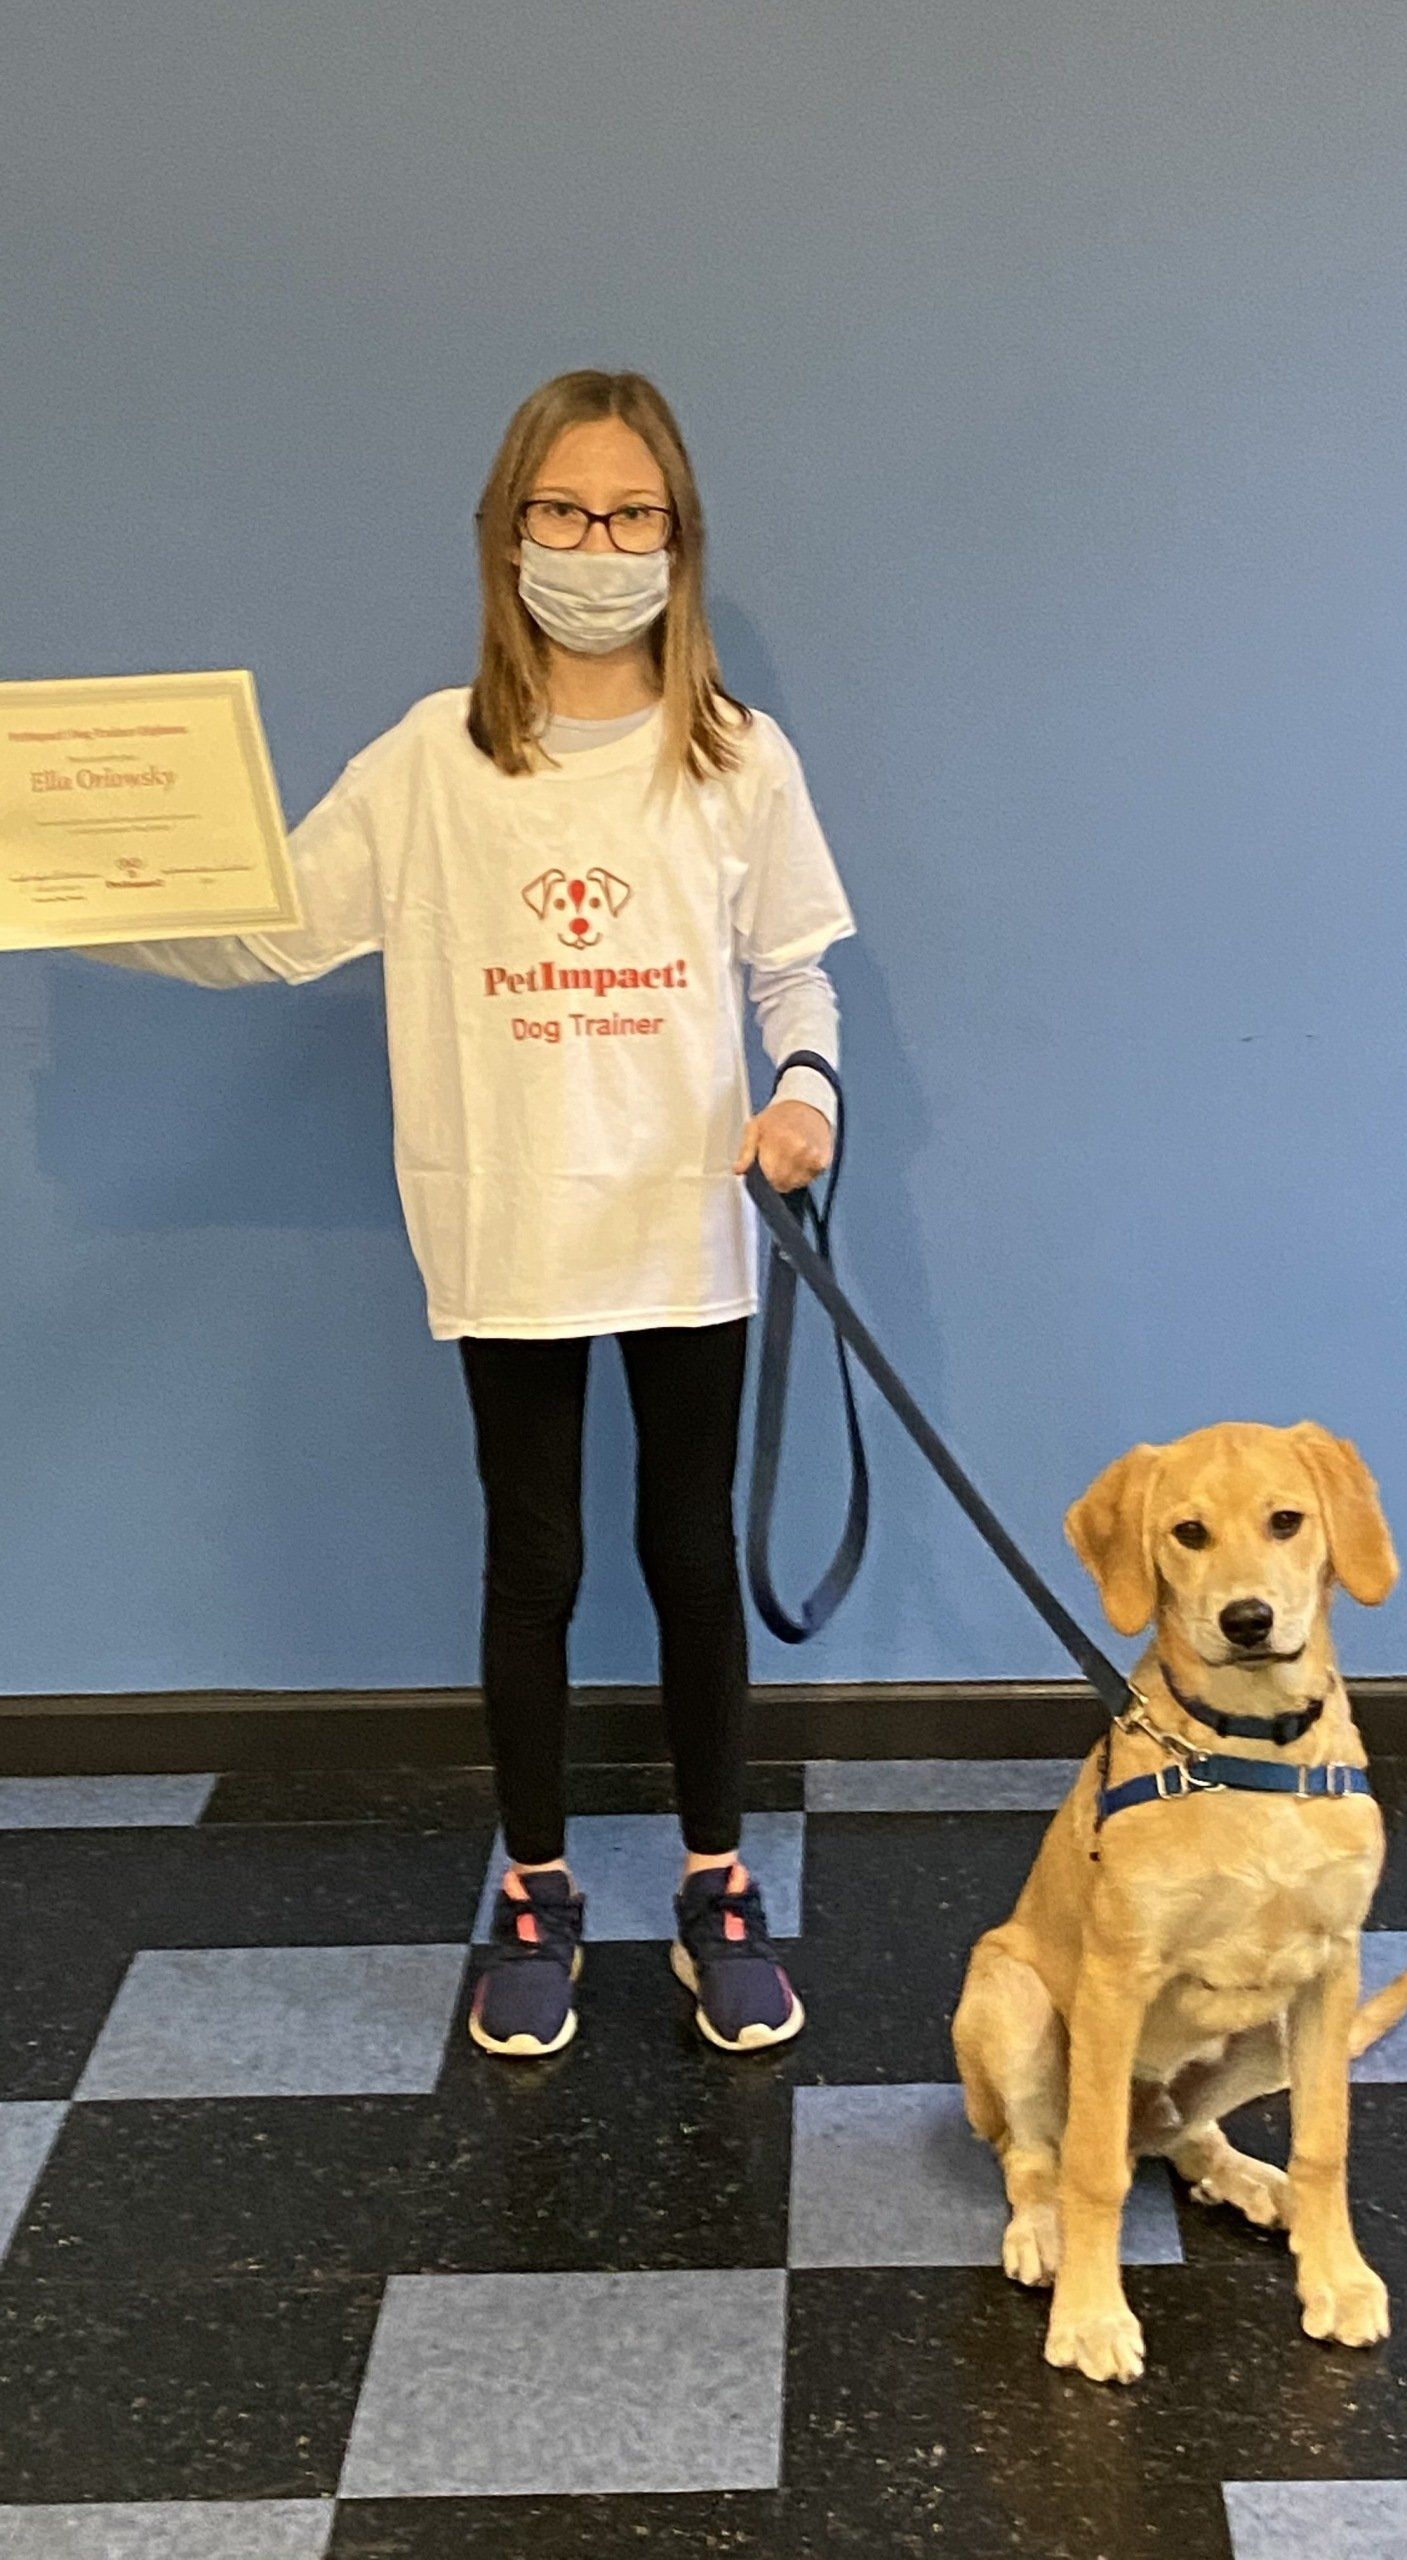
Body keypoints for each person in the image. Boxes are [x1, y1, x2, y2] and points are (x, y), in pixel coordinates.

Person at [82, 368, 856, 2063]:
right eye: (564, 514)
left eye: (632, 515)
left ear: (679, 540)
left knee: (685, 1550)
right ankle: (536, 1884)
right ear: (511, 537)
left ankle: (717, 1883)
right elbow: (272, 923)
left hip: (688, 1220)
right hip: (510, 1219)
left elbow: (791, 970)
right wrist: (65, 889)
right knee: (538, 1556)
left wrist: (803, 1096)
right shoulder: (435, 759)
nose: (598, 545)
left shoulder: (735, 757)